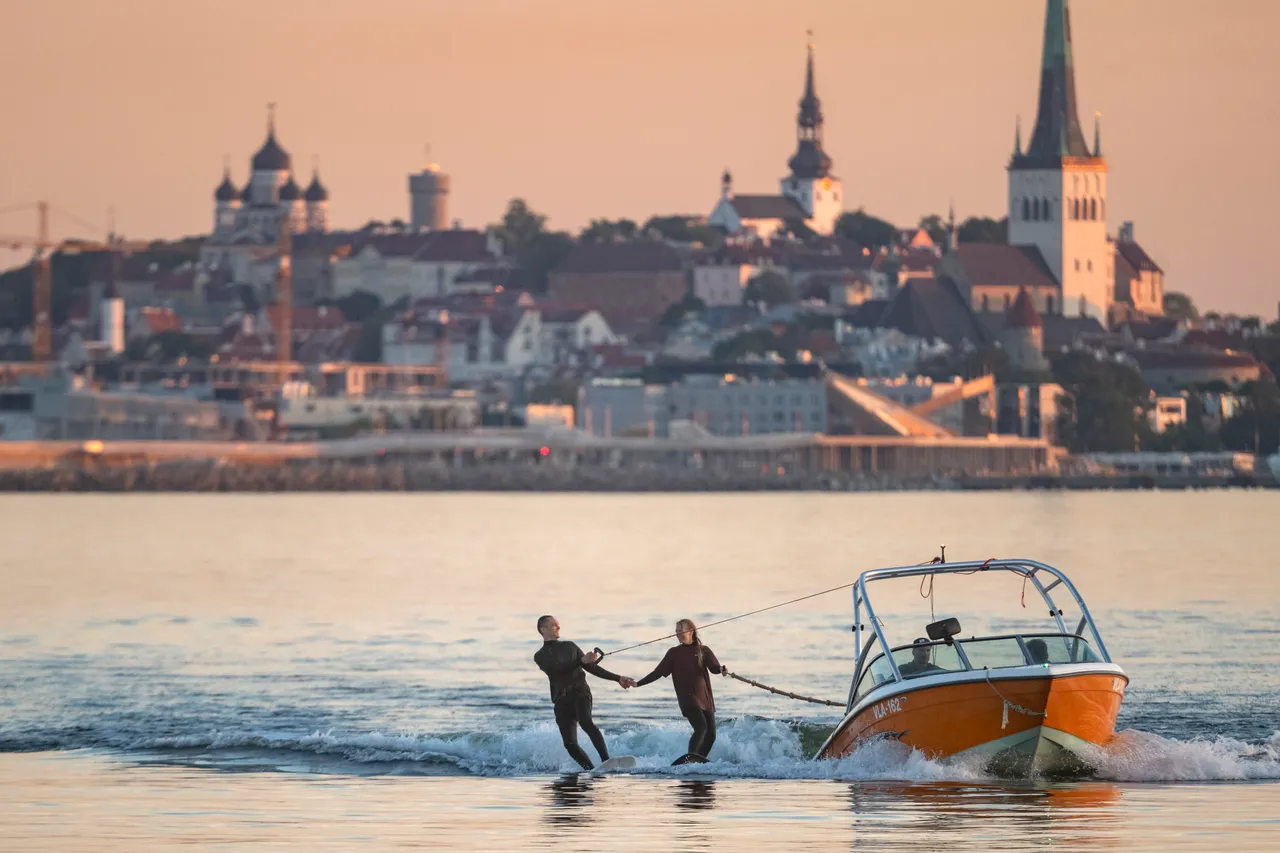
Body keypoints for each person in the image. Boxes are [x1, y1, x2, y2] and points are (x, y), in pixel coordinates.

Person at [534, 615, 635, 771]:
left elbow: (591, 668)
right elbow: (556, 670)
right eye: (554, 625)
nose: (558, 627)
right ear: (543, 629)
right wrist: (581, 661)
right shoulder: (540, 656)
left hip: (580, 692)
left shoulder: (569, 646)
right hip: (561, 700)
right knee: (569, 744)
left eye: (558, 624)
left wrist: (618, 678)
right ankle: (591, 770)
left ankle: (606, 761)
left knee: (586, 722)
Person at [635, 618, 725, 759]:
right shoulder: (674, 653)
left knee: (711, 735)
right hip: (687, 698)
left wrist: (721, 669)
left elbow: (714, 668)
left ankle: (698, 760)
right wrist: (638, 683)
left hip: (705, 698)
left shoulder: (703, 650)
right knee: (701, 727)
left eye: (680, 630)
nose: (677, 634)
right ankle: (690, 759)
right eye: (676, 631)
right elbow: (657, 673)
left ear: (690, 631)